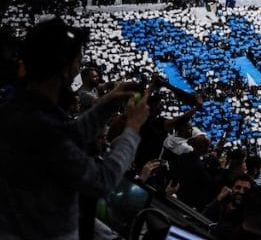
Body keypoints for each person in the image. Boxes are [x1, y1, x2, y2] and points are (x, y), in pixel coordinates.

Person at [0, 16, 150, 240]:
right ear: (65, 69)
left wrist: (107, 104)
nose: (79, 68)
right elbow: (101, 181)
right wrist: (133, 127)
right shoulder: (43, 129)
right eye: (78, 62)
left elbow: (69, 136)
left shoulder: (17, 106)